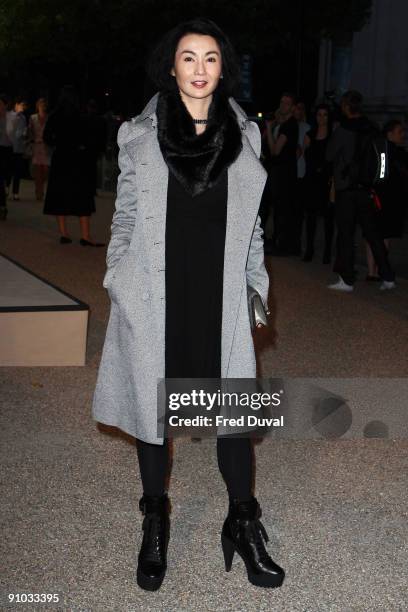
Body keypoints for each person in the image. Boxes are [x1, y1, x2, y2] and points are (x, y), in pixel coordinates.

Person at [92, 18, 285, 592]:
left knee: (232, 416)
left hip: (219, 291)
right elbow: (124, 216)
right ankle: (155, 521)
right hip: (155, 287)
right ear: (171, 67)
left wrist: (256, 285)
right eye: (188, 58)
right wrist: (115, 278)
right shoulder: (139, 134)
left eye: (209, 59)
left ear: (223, 68)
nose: (199, 69)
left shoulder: (246, 135)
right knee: (157, 414)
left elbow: (253, 227)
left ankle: (243, 523)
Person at [326, 90, 395, 292]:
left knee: (346, 234)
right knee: (373, 233)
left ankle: (347, 280)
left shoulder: (343, 129)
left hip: (346, 189)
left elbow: (329, 155)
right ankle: (388, 277)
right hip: (367, 189)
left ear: (346, 107)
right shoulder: (373, 128)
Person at [43, 86, 104, 246]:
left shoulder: (55, 116)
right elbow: (91, 139)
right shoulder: (83, 116)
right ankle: (85, 236)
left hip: (61, 158)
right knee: (82, 197)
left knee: (60, 195)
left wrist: (59, 142)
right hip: (79, 160)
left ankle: (64, 233)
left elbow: (47, 138)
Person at [365, 119, 408, 280]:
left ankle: (373, 271)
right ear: (389, 134)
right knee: (382, 235)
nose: (402, 135)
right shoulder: (387, 150)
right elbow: (381, 176)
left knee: (375, 235)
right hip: (383, 199)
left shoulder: (389, 150)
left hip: (384, 198)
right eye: (399, 132)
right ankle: (376, 270)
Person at [265, 92, 299, 255]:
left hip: (284, 173)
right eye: (281, 102)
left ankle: (282, 244)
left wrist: (270, 128)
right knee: (279, 208)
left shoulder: (290, 125)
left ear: (292, 107)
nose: (282, 105)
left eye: (286, 103)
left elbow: (275, 151)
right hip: (281, 172)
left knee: (282, 209)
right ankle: (280, 242)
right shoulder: (284, 123)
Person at [302, 104, 334, 263]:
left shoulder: (333, 135)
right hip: (312, 180)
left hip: (326, 181)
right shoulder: (309, 135)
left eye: (325, 115)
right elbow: (305, 156)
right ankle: (309, 249)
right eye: (319, 115)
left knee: (328, 219)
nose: (322, 118)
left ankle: (327, 252)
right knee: (311, 217)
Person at [293, 101, 311, 257]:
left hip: (300, 172)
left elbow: (302, 151)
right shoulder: (286, 125)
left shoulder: (306, 128)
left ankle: (297, 243)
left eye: (300, 108)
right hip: (289, 173)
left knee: (298, 211)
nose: (297, 111)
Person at [28, 98, 50, 201]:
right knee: (37, 171)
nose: (42, 107)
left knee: (45, 171)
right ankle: (39, 191)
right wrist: (31, 140)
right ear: (38, 106)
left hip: (45, 147)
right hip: (36, 146)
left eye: (44, 105)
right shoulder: (33, 118)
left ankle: (41, 188)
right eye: (41, 105)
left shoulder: (48, 118)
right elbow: (30, 131)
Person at [7, 97, 28, 201]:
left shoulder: (23, 118)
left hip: (19, 148)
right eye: (21, 105)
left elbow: (23, 130)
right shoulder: (9, 115)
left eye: (24, 106)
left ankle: (16, 192)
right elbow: (9, 130)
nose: (23, 107)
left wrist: (25, 133)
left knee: (17, 171)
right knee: (8, 170)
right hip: (10, 146)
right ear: (16, 105)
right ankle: (6, 188)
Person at [0, 93, 13, 221]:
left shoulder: (11, 117)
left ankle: (3, 205)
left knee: (3, 178)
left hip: (7, 150)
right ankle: (2, 206)